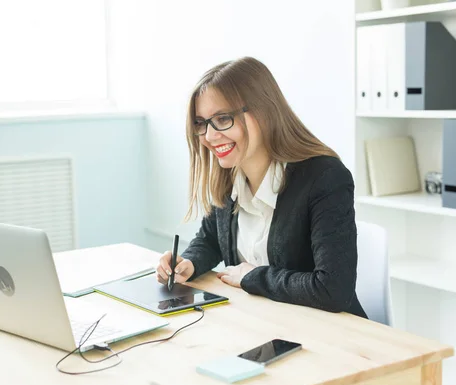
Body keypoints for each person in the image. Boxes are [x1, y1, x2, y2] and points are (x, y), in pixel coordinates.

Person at [156, 56, 367, 318]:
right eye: (201, 123)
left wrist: (254, 276)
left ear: (263, 111)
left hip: (328, 335)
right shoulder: (229, 176)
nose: (209, 137)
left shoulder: (324, 177)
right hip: (260, 324)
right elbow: (211, 240)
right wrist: (188, 262)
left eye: (222, 119)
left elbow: (332, 289)